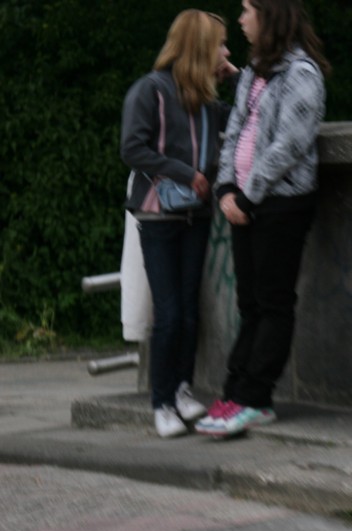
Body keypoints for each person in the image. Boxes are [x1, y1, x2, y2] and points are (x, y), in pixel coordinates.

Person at [195, 0, 330, 438]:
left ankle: (255, 398)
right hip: (245, 202)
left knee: (273, 301)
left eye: (246, 10)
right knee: (249, 303)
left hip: (282, 203)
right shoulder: (254, 72)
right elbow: (235, 132)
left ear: (269, 15)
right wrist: (226, 188)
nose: (240, 20)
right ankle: (236, 391)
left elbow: (289, 146)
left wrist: (247, 196)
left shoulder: (302, 74)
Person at [120, 10, 239, 438]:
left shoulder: (207, 100)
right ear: (200, 47)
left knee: (189, 312)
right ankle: (162, 403)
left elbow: (247, 118)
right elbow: (132, 148)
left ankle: (183, 390)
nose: (226, 51)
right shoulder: (149, 90)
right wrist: (186, 173)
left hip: (196, 214)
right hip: (158, 214)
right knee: (169, 313)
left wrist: (237, 78)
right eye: (220, 44)